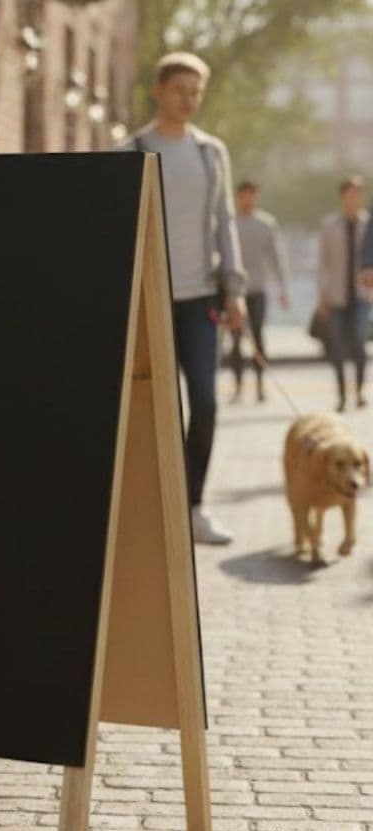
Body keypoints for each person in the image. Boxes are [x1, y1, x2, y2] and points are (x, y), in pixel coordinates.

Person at [124, 51, 247, 545]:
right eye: (180, 90)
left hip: (200, 298)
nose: (189, 100)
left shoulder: (210, 152)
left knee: (205, 403)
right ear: (159, 91)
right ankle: (144, 511)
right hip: (145, 298)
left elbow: (225, 221)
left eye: (196, 92)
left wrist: (234, 288)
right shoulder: (129, 149)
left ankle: (192, 507)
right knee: (147, 407)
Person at [229, 180, 290, 403]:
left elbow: (277, 257)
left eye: (251, 195)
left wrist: (283, 288)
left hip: (257, 290)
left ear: (256, 196)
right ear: (238, 196)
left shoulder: (265, 223)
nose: (247, 199)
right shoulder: (230, 223)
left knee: (258, 338)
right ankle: (237, 388)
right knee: (235, 341)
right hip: (235, 292)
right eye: (243, 195)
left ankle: (260, 387)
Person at [317, 175, 371, 412]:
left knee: (360, 343)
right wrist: (322, 295)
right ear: (342, 197)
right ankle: (341, 394)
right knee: (337, 346)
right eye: (350, 194)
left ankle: (359, 392)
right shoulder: (329, 225)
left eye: (357, 194)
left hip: (362, 296)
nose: (354, 199)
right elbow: (322, 264)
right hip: (336, 295)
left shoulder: (369, 224)